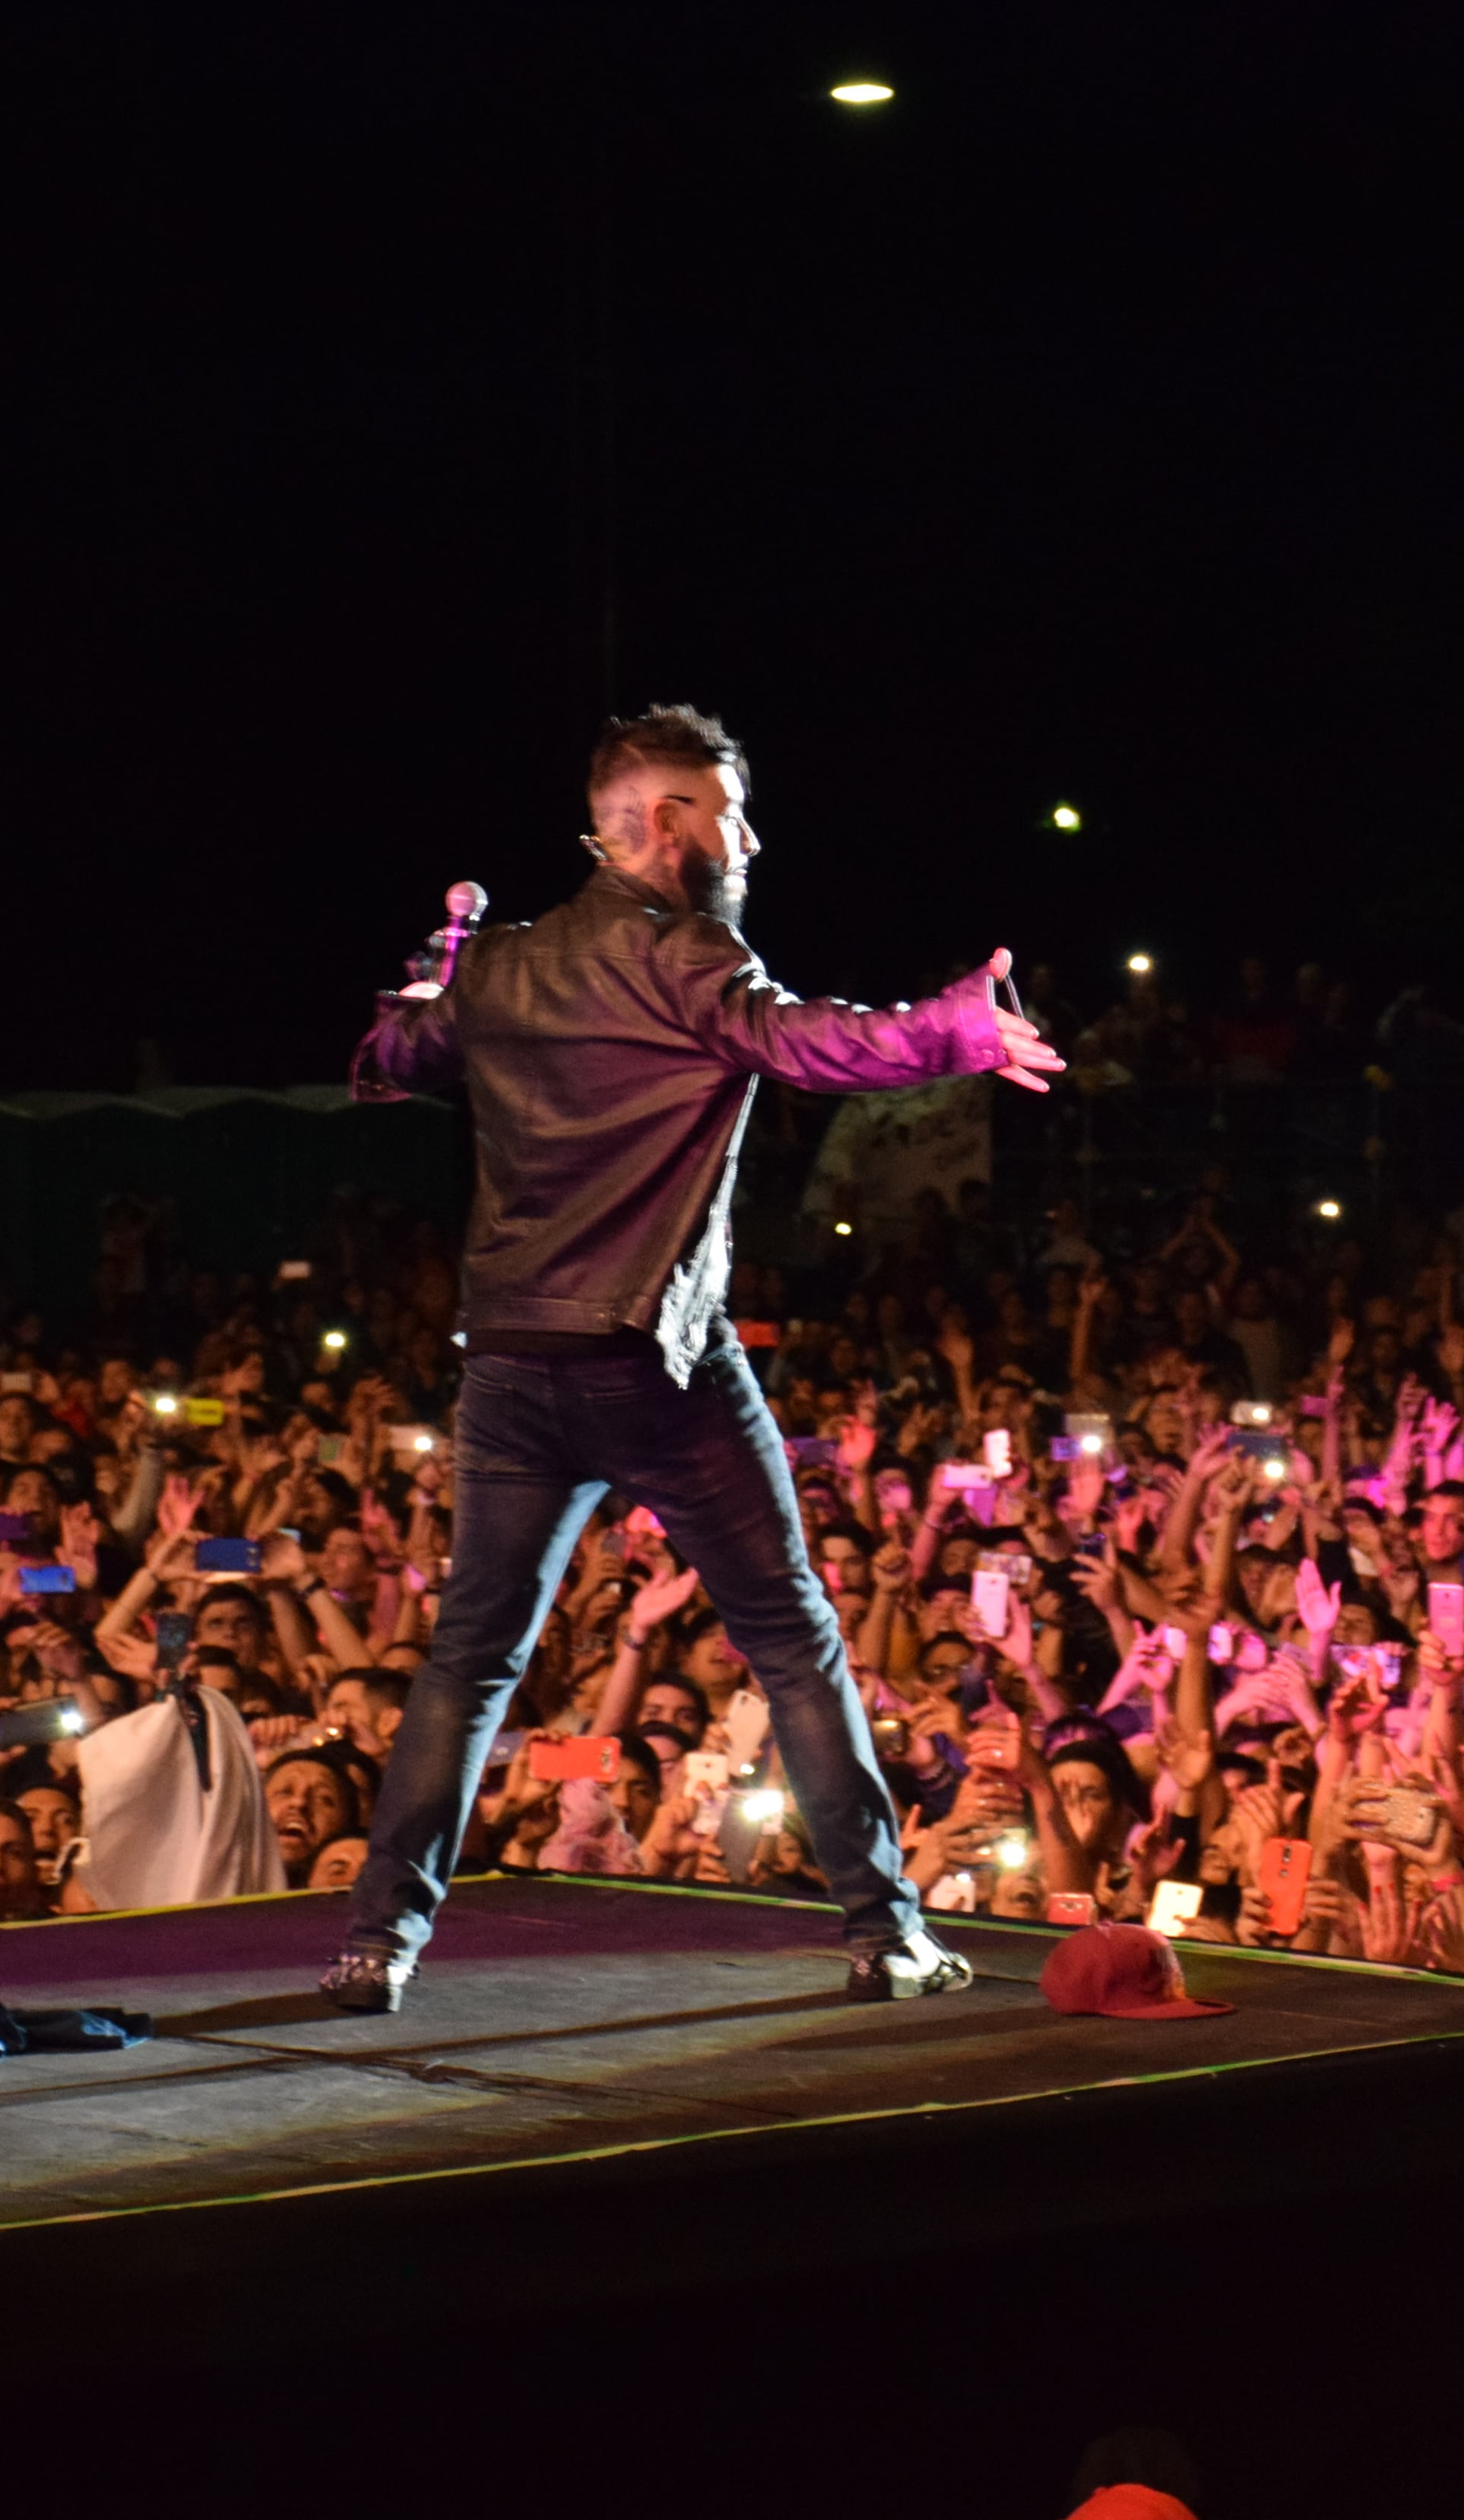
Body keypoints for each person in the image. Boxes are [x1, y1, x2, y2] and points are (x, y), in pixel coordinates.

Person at [321, 704, 1065, 2010]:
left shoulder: (502, 963)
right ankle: (887, 1930)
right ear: (664, 824)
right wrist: (956, 1029)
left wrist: (434, 974)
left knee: (470, 1655)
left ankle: (378, 1940)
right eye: (729, 810)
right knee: (789, 1636)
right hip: (648, 1354)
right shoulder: (683, 952)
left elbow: (387, 1061)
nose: (750, 835)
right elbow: (810, 1043)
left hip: (507, 1357)